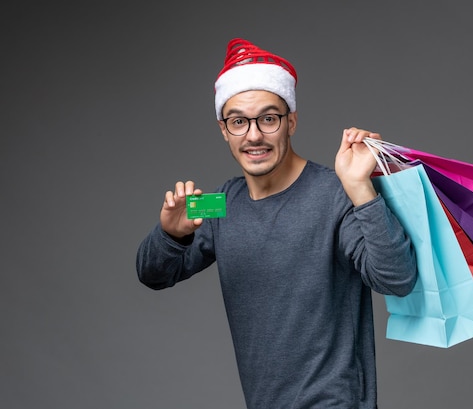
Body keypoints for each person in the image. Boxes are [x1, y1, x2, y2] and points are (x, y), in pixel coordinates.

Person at [136, 38, 418, 409]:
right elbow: (153, 274)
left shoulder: (336, 193)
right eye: (238, 121)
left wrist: (360, 188)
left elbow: (397, 279)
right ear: (224, 129)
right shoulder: (221, 203)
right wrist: (170, 235)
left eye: (268, 119)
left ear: (291, 122)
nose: (254, 135)